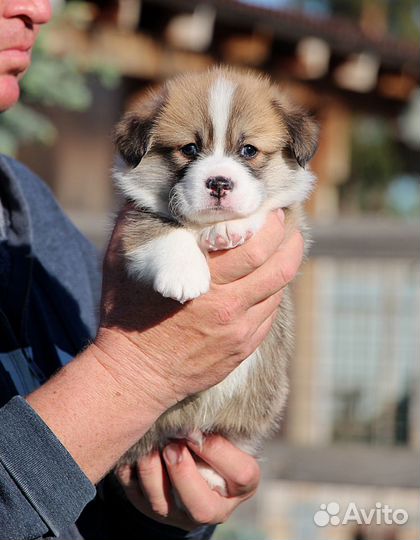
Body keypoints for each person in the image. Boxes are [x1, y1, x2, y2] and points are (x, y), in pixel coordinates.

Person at [0, 1, 304, 539]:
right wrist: (136, 372)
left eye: (248, 151)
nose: (37, 8)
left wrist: (158, 516)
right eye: (190, 151)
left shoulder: (41, 228)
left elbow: (91, 502)